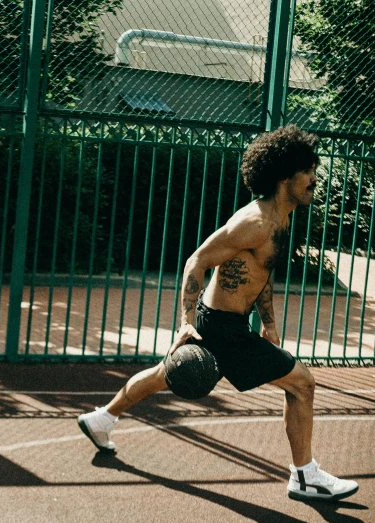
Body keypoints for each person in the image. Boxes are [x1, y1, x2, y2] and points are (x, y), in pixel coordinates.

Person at [77, 125, 359, 502]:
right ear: (284, 175)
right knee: (302, 384)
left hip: (227, 323)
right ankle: (305, 476)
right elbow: (197, 261)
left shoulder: (280, 218)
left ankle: (101, 419)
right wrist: (185, 323)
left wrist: (269, 323)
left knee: (164, 375)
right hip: (222, 327)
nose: (314, 178)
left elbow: (259, 272)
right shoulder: (255, 222)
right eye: (307, 170)